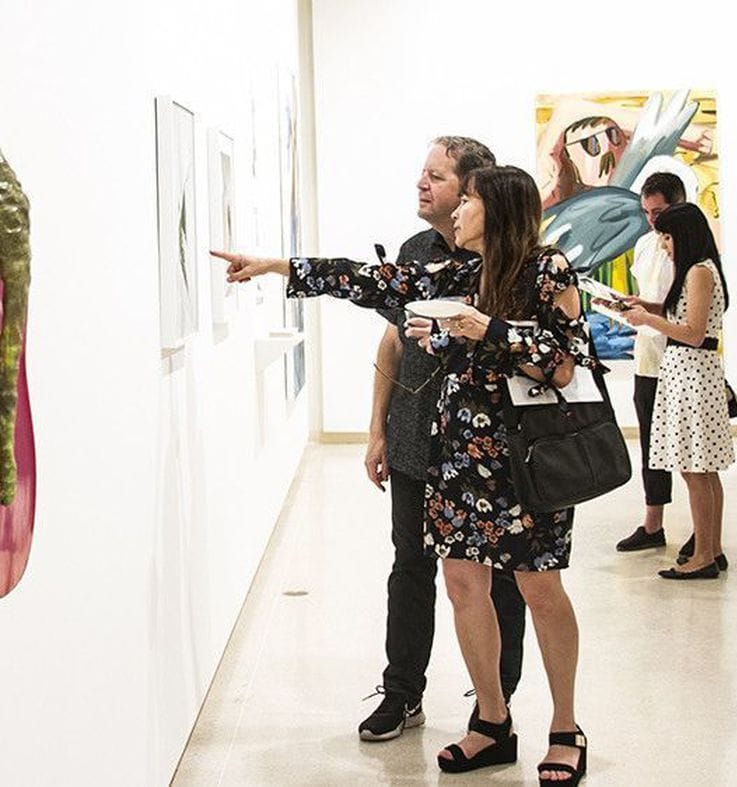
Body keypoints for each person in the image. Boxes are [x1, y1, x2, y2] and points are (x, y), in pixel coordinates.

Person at [214, 165, 591, 785]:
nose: (458, 210)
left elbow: (564, 366)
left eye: (466, 199)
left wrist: (486, 329)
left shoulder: (548, 270)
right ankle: (492, 724)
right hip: (456, 460)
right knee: (464, 588)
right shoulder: (452, 273)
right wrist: (279, 265)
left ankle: (565, 727)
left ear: (495, 210)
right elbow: (367, 279)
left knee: (538, 591)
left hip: (524, 465)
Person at [359, 138, 527, 744]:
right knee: (411, 566)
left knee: (500, 574)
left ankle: (496, 703)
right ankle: (403, 692)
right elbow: (393, 342)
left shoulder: (510, 260)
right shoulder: (414, 252)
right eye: (421, 173)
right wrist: (377, 428)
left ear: (471, 188)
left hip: (488, 446)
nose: (422, 184)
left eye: (436, 175)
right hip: (414, 440)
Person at [622, 202, 734, 579]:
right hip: (689, 372)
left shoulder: (699, 272)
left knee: (695, 469)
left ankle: (703, 554)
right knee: (702, 470)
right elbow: (685, 317)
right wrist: (646, 305)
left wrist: (648, 319)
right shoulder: (698, 271)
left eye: (667, 237)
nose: (664, 245)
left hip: (692, 375)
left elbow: (693, 333)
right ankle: (711, 549)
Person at [616, 173, 687, 553]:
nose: (652, 220)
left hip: (680, 360)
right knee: (651, 445)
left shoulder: (691, 249)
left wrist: (649, 315)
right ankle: (653, 522)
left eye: (657, 212)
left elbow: (689, 314)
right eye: (646, 212)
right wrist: (632, 306)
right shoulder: (645, 245)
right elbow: (652, 298)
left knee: (692, 454)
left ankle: (703, 531)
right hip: (647, 357)